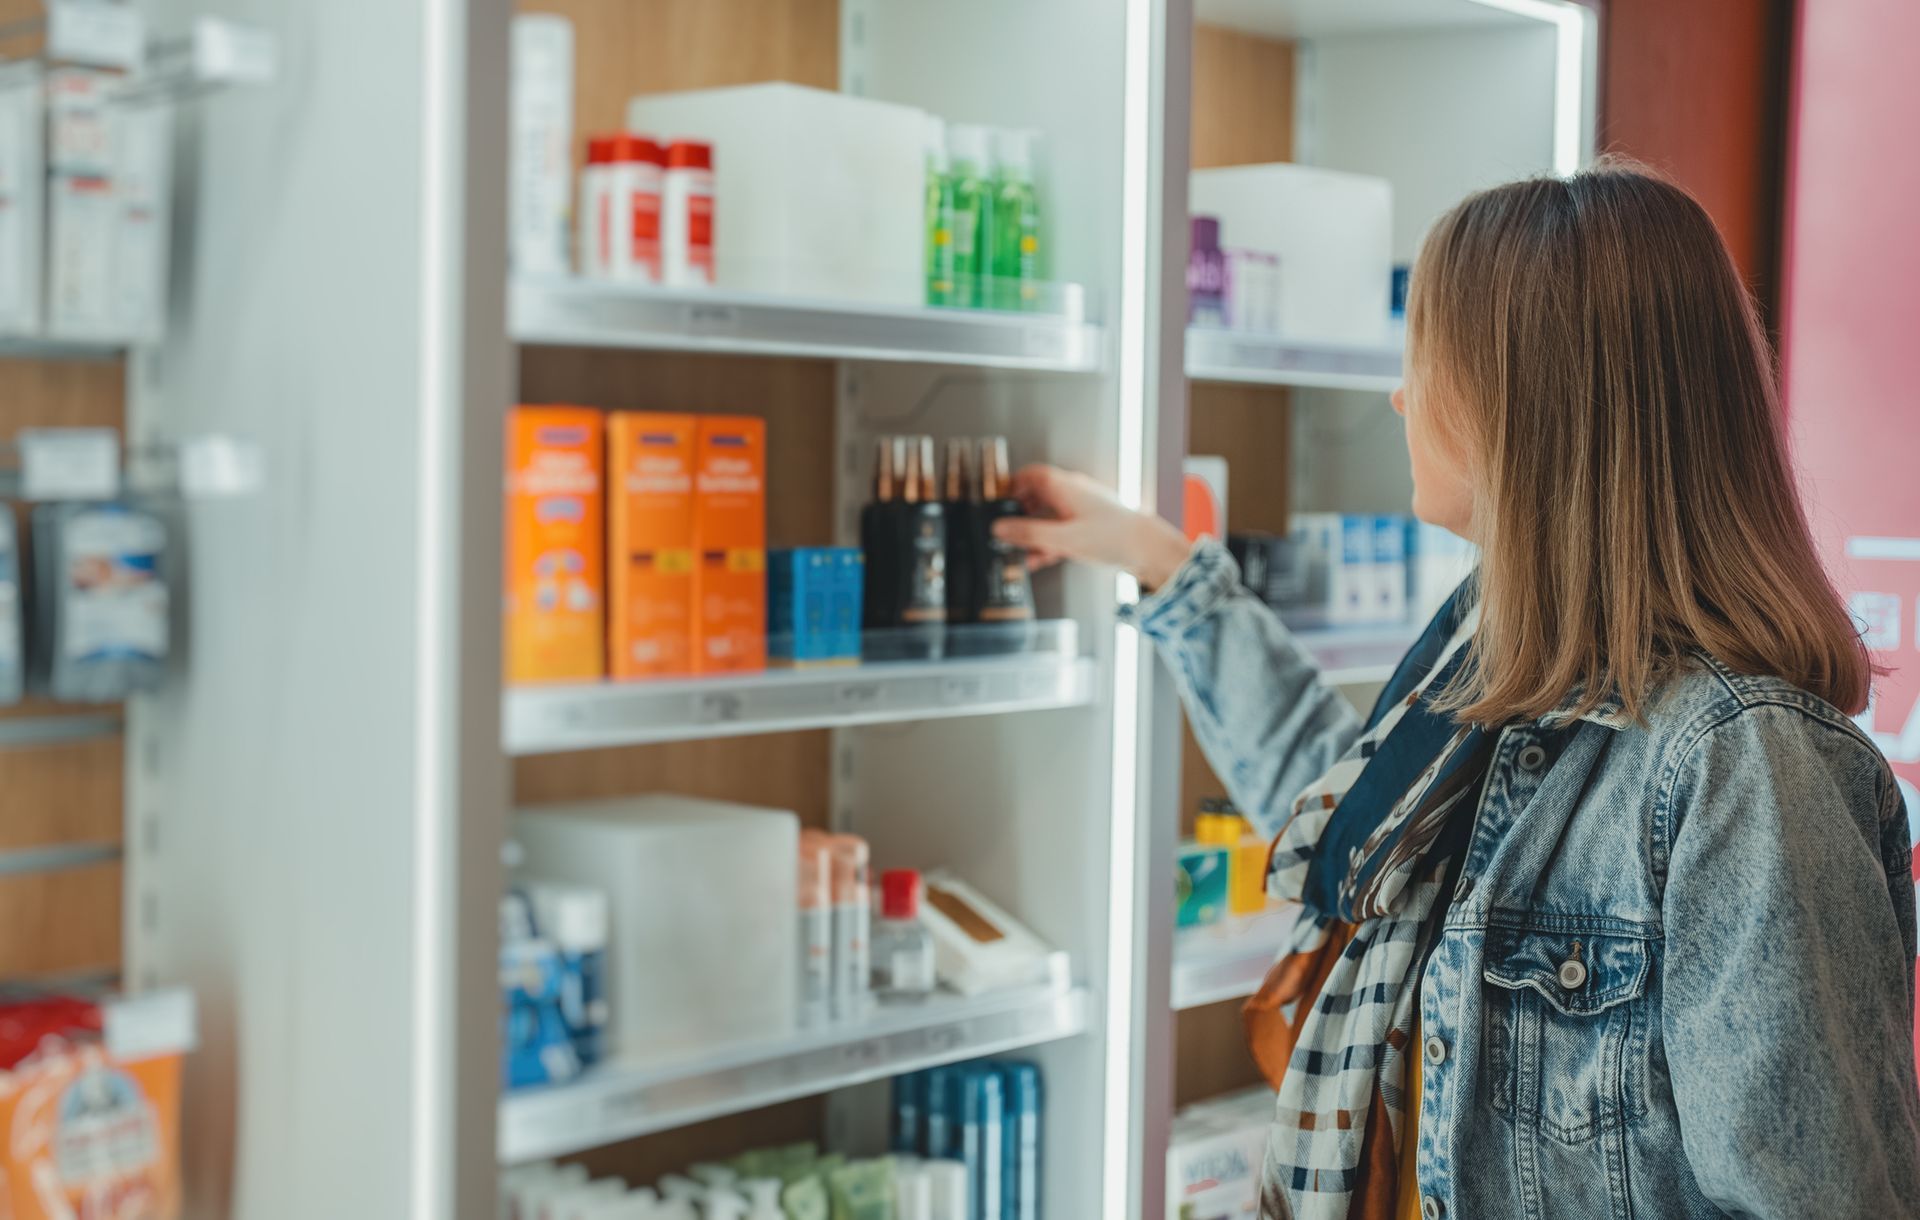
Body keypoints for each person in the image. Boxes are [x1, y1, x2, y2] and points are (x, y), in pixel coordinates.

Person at [996, 162, 1920, 1220]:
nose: (1399, 395)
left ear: (1523, 408)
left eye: (1423, 362)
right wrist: (1160, 560)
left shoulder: (1742, 768)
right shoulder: (1496, 664)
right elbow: (1357, 823)